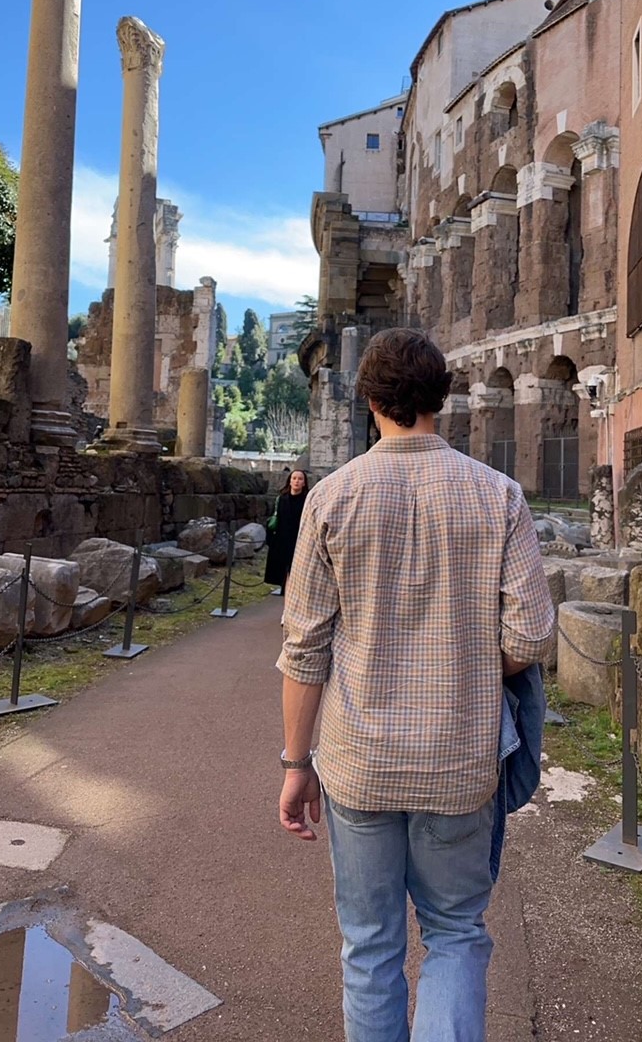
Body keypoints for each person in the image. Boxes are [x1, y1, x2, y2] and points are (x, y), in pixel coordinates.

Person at [276, 328, 554, 1042]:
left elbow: (304, 649)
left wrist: (294, 763)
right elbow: (529, 637)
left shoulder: (331, 499)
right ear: (443, 398)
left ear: (369, 400)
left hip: (358, 759)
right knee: (456, 931)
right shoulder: (499, 496)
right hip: (461, 757)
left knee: (369, 946)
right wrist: (462, 664)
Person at [264, 468, 310, 596]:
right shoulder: (282, 499)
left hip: (299, 539)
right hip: (282, 538)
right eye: (294, 478)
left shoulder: (307, 500)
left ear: (304, 483)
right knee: (282, 567)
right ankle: (285, 588)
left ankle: (293, 591)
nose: (296, 481)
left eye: (300, 479)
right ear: (289, 481)